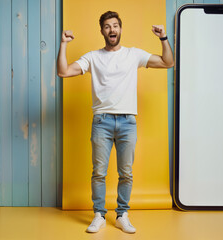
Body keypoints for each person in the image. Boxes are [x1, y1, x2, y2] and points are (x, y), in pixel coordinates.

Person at [57, 11, 174, 234]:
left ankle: (122, 215)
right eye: (108, 26)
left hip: (128, 121)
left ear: (121, 29)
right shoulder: (93, 57)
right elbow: (63, 71)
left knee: (126, 173)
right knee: (99, 172)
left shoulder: (133, 54)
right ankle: (99, 215)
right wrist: (63, 44)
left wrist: (163, 38)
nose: (112, 30)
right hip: (101, 121)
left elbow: (168, 62)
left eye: (116, 26)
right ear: (102, 31)